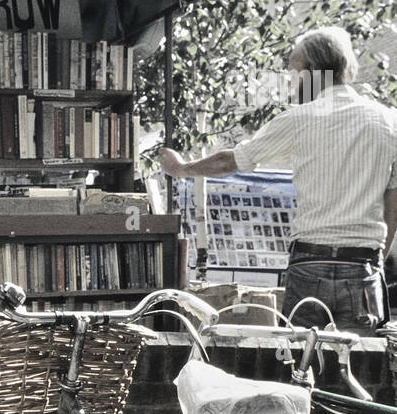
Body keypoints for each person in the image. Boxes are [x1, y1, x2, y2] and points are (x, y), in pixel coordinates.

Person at [160, 26, 397, 331]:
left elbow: (230, 160)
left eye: (294, 72)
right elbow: (393, 201)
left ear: (314, 71)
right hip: (362, 266)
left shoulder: (299, 119)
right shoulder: (388, 121)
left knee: (304, 363)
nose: (291, 82)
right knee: (360, 364)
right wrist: (377, 258)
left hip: (310, 262)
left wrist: (181, 168)